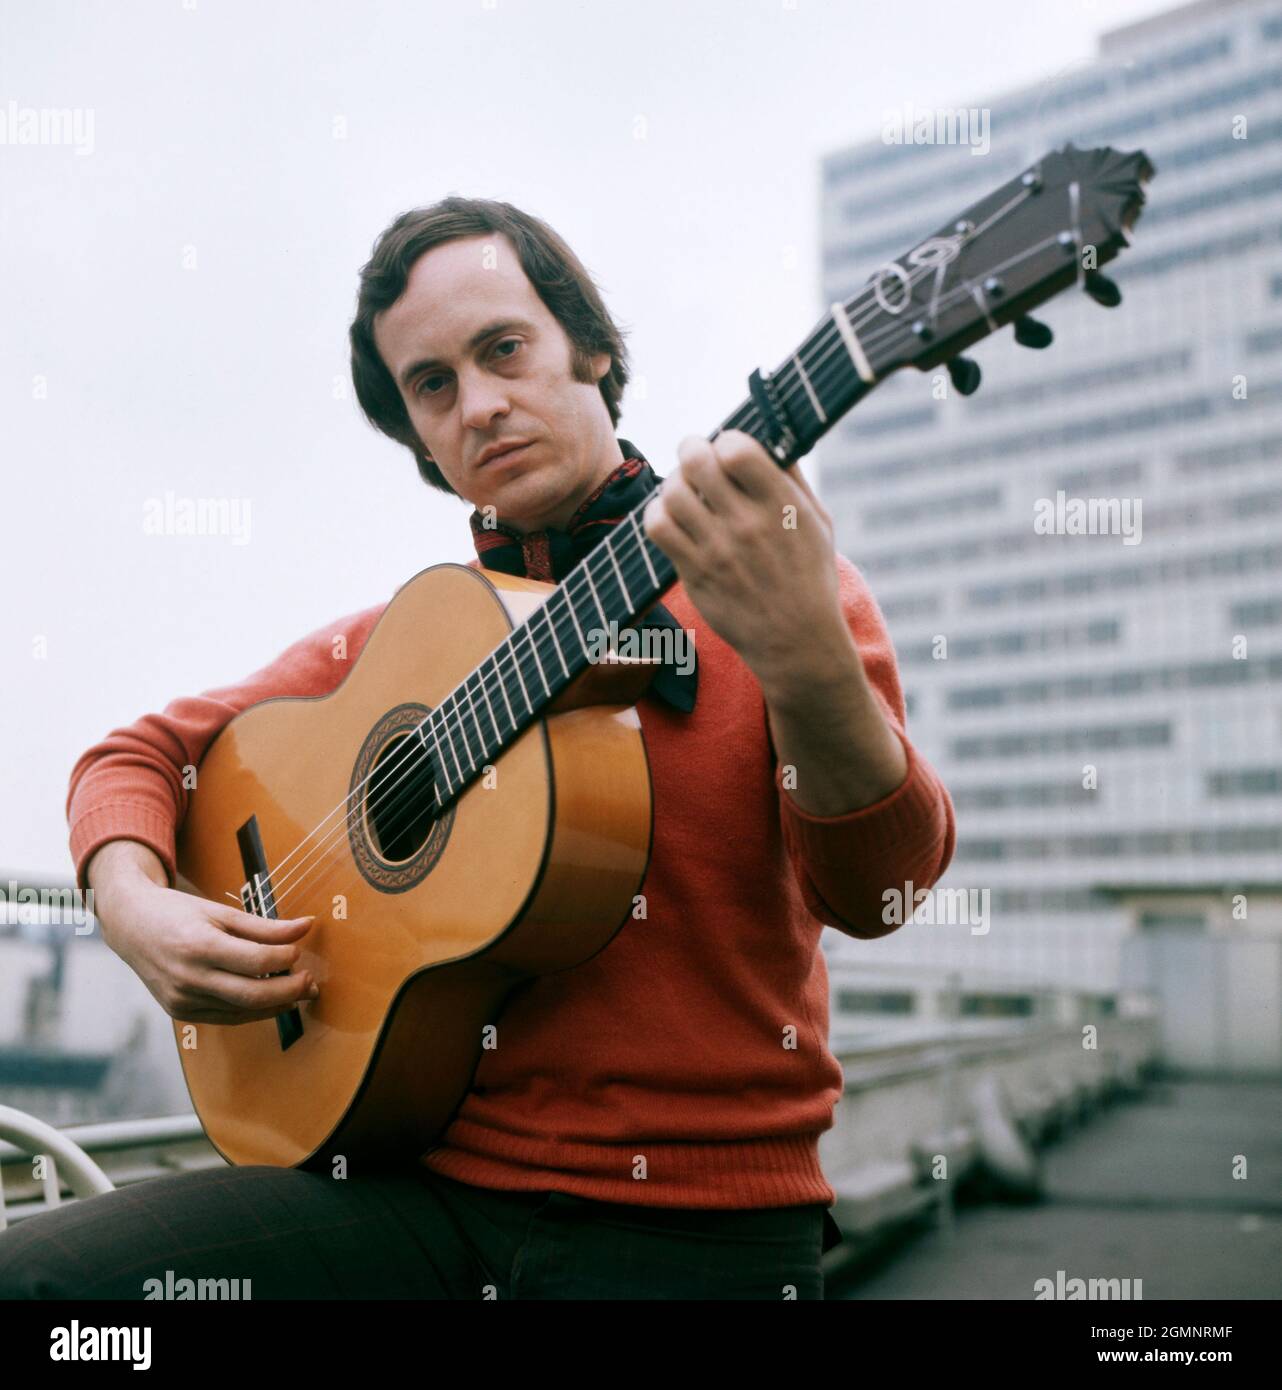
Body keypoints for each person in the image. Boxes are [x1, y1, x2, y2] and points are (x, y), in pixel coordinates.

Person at [0, 197, 955, 1300]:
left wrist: (805, 659)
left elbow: (878, 896)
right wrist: (134, 906)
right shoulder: (399, 644)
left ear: (589, 348)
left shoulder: (783, 584)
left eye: (504, 349)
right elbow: (133, 757)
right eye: (433, 386)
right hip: (410, 1196)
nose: (481, 407)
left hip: (696, 1232)